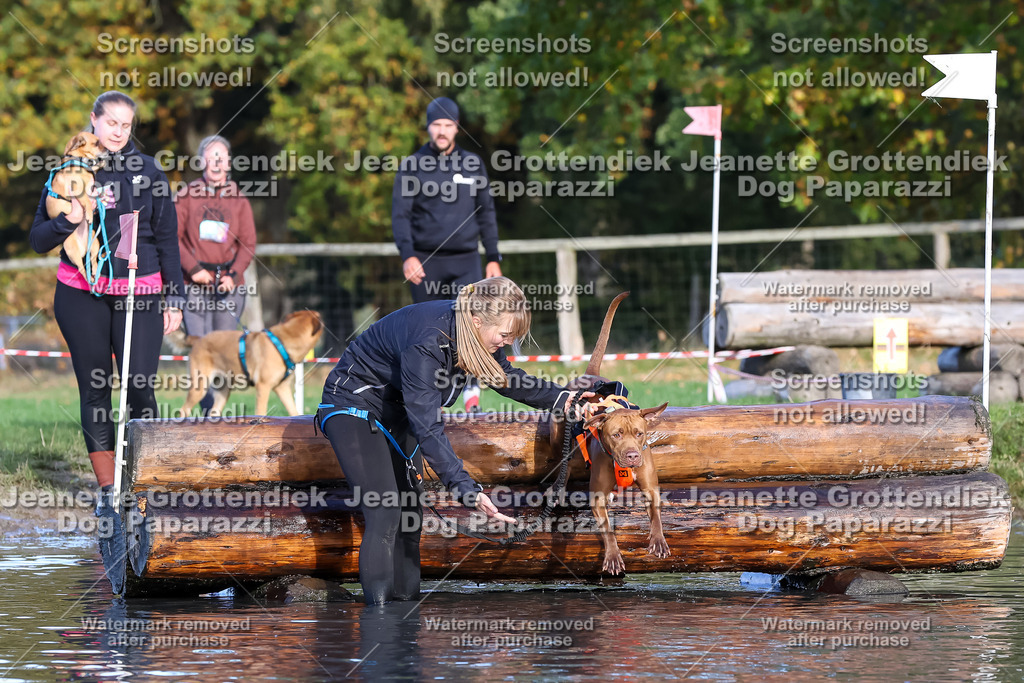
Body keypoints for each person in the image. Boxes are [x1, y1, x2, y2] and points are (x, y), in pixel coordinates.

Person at [317, 277, 592, 605]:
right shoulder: (428, 341)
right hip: (352, 405)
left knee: (410, 513)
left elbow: (506, 378)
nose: (507, 343)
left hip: (397, 408)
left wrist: (564, 398)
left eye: (513, 337)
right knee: (385, 509)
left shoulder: (473, 333)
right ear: (477, 321)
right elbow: (428, 428)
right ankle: (380, 622)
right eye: (505, 335)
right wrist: (467, 490)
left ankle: (406, 611)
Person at [29, 90, 185, 504]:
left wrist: (175, 298)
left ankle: (146, 483)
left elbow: (167, 238)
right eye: (111, 122)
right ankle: (108, 490)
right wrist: (68, 220)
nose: (117, 132)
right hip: (80, 295)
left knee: (139, 385)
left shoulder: (149, 170)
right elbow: (37, 239)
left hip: (139, 292)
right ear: (94, 120)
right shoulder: (69, 170)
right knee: (95, 390)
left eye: (125, 125)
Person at [392, 96, 501, 412]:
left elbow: (486, 212)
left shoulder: (472, 164)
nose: (442, 130)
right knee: (428, 332)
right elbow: (400, 215)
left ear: (456, 127)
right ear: (428, 127)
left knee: (473, 326)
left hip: (467, 261)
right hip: (425, 263)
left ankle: (472, 400)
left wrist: (493, 257)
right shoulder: (412, 166)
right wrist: (407, 255)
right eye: (436, 124)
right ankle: (431, 402)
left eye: (447, 124)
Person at [175, 135, 257, 413]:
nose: (217, 163)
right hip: (194, 284)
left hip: (228, 287)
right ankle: (203, 412)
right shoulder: (187, 196)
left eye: (221, 158)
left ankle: (217, 414)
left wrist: (233, 275)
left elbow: (248, 243)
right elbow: (173, 238)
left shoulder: (239, 199)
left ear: (229, 163)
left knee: (223, 350)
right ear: (202, 162)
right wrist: (194, 270)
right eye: (211, 158)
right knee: (201, 348)